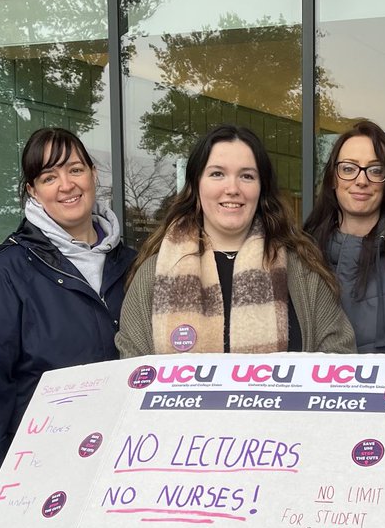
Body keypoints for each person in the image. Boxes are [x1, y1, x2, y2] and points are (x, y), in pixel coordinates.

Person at [0, 127, 135, 510]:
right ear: (33, 191)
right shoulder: (8, 274)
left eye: (75, 169)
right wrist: (0, 501)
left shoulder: (135, 265)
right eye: (49, 177)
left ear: (93, 174)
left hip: (129, 475)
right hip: (46, 484)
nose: (66, 185)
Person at [116, 124, 355, 357]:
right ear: (196, 185)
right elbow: (133, 377)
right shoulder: (153, 275)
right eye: (217, 174)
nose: (232, 188)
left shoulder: (302, 272)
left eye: (247, 176)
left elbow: (340, 358)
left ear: (261, 188)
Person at [303, 120, 385, 352]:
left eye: (375, 170)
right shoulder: (302, 253)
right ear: (332, 178)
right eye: (348, 168)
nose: (361, 180)